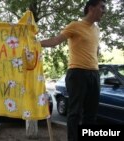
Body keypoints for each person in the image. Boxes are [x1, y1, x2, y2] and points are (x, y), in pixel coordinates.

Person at [40, 0, 106, 141]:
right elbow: (55, 41)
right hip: (77, 74)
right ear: (91, 8)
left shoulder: (97, 29)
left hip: (94, 74)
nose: (104, 10)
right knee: (75, 113)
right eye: (102, 7)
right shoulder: (75, 25)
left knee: (91, 114)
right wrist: (35, 43)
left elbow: (95, 49)